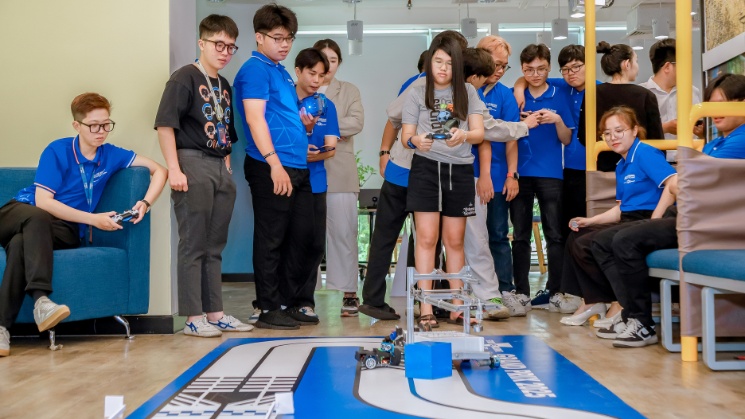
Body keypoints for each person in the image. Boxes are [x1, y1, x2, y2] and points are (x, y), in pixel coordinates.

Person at [0, 92, 167, 356]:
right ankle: (41, 301)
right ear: (77, 126)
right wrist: (94, 220)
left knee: (22, 243)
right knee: (37, 218)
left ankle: (2, 329)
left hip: (60, 228)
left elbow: (160, 170)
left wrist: (145, 203)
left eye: (106, 124)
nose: (101, 132)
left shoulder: (111, 155)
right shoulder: (58, 150)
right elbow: (43, 202)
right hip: (20, 212)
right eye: (93, 126)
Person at [592, 74, 745, 348]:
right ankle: (631, 315)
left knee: (625, 240)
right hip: (688, 213)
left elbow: (690, 180)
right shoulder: (715, 143)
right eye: (710, 103)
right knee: (603, 241)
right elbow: (684, 181)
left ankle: (641, 323)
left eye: (720, 103)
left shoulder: (740, 140)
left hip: (707, 222)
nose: (713, 111)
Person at [359, 31, 469, 321]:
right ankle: (373, 300)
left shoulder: (462, 91)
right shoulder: (419, 86)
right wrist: (384, 153)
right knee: (390, 236)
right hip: (403, 172)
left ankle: (431, 304)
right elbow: (393, 120)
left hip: (436, 177)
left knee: (430, 239)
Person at [155, 14, 252, 337]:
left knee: (214, 245)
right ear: (202, 43)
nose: (224, 52)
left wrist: (225, 163)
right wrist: (174, 169)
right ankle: (193, 317)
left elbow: (226, 132)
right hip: (191, 163)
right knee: (193, 244)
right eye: (218, 45)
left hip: (218, 165)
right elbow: (166, 125)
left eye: (230, 47)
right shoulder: (184, 78)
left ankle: (215, 313)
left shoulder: (223, 85)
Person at [234, 4, 316, 330]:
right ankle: (268, 307)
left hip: (296, 164)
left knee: (303, 238)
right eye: (278, 38)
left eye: (289, 38)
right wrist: (274, 164)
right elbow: (254, 118)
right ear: (259, 36)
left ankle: (288, 301)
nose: (285, 44)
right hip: (271, 166)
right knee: (271, 239)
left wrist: (301, 131)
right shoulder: (255, 69)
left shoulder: (280, 70)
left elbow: (280, 115)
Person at [559, 106, 676, 328]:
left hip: (648, 218)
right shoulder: (621, 164)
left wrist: (656, 220)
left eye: (619, 130)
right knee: (577, 236)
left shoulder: (645, 152)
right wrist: (590, 221)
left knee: (597, 242)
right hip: (630, 218)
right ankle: (593, 299)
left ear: (634, 130)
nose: (613, 137)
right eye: (607, 133)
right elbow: (621, 209)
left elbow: (672, 184)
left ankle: (622, 304)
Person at [401, 35, 485, 327]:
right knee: (426, 239)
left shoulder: (468, 92)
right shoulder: (415, 90)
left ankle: (457, 307)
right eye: (438, 61)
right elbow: (406, 135)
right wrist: (416, 141)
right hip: (425, 169)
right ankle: (425, 309)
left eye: (449, 64)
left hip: (459, 169)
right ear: (429, 61)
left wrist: (464, 136)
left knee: (454, 241)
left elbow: (479, 133)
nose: (443, 68)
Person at [509, 43, 575, 312]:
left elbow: (567, 138)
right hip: (520, 173)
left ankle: (555, 290)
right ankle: (521, 291)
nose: (535, 75)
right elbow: (506, 132)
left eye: (541, 69)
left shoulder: (559, 93)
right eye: (529, 70)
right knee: (520, 235)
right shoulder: (515, 96)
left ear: (549, 67)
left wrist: (556, 120)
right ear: (522, 69)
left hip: (551, 173)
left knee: (555, 234)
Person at [476, 35, 529, 317]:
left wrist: (512, 175)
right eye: (495, 64)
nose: (499, 70)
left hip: (496, 177)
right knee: (466, 239)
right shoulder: (466, 89)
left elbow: (511, 137)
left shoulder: (505, 94)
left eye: (504, 66)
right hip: (464, 176)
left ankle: (505, 291)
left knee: (498, 235)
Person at [312, 39, 365, 317]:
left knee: (344, 233)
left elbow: (356, 123)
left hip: (340, 173)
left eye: (333, 60)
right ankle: (302, 297)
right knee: (306, 237)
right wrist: (333, 129)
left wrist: (319, 125)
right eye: (322, 58)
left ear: (338, 63)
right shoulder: (298, 90)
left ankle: (349, 294)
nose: (327, 64)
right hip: (307, 171)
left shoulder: (349, 91)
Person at [293, 48, 339, 324]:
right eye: (311, 73)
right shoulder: (284, 101)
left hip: (316, 182)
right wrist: (302, 141)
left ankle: (304, 302)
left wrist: (312, 149)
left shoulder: (326, 106)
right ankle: (276, 302)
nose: (316, 80)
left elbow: (330, 149)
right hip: (285, 179)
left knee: (312, 243)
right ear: (298, 71)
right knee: (284, 241)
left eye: (321, 75)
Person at [577, 41, 664, 172]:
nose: (637, 66)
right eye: (636, 61)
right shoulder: (645, 95)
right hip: (639, 167)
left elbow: (584, 136)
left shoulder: (592, 94)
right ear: (626, 64)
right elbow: (657, 139)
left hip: (602, 167)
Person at [639, 38, 703, 142]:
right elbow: (632, 131)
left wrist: (701, 131)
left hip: (687, 156)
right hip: (654, 156)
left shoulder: (692, 91)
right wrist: (664, 128)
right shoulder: (640, 93)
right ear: (667, 67)